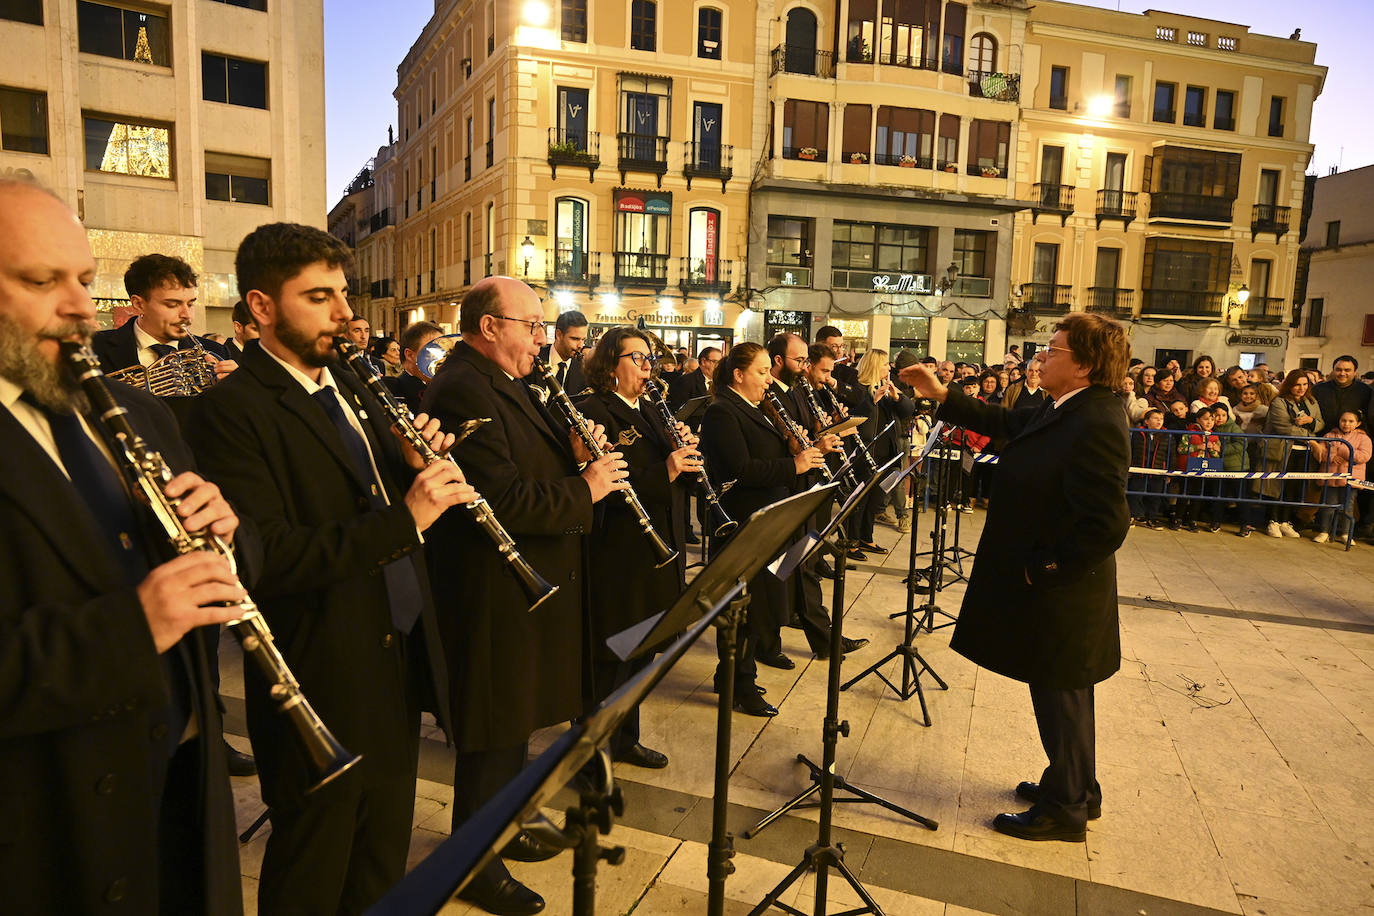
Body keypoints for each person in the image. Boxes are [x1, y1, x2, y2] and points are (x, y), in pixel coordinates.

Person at [187, 223, 476, 914]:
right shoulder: (231, 411)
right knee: (314, 867)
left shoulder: (348, 381)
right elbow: (270, 557)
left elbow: (364, 487)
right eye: (318, 297)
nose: (343, 313)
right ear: (261, 307)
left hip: (395, 654)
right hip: (319, 670)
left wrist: (408, 462)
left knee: (381, 858)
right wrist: (404, 517)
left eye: (342, 294)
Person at [0, 178, 247, 913]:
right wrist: (132, 629)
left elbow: (225, 566)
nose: (79, 305)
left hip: (178, 791)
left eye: (81, 277)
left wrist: (224, 538)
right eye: (41, 280)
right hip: (51, 830)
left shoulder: (134, 411)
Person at [419, 277, 628, 915]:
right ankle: (474, 863)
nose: (541, 338)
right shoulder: (461, 387)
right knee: (493, 731)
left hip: (525, 587)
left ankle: (503, 828)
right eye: (530, 325)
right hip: (492, 591)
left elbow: (526, 467)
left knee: (512, 729)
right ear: (489, 327)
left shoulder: (503, 382)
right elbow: (498, 498)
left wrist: (572, 457)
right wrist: (586, 486)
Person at [898, 313, 1131, 843]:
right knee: (1063, 693)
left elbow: (1107, 523)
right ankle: (1074, 785)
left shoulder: (1096, 420)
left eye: (1053, 350)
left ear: (1086, 364)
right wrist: (944, 394)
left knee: (1061, 694)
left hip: (1062, 591)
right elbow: (1009, 425)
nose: (1040, 358)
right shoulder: (1067, 406)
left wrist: (1045, 568)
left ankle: (1064, 812)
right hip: (1054, 588)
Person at [577, 327, 694, 769]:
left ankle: (625, 738)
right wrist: (665, 468)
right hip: (617, 557)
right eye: (638, 358)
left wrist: (683, 450)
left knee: (640, 656)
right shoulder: (593, 411)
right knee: (610, 662)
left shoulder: (650, 410)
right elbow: (605, 490)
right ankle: (589, 758)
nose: (649, 367)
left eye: (651, 358)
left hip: (655, 552)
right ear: (610, 364)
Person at [699, 342, 828, 716]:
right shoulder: (723, 411)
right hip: (743, 524)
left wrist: (800, 450)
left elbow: (768, 455)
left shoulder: (756, 408)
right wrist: (795, 466)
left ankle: (737, 676)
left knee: (758, 610)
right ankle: (739, 682)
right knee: (743, 611)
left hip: (768, 520)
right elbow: (742, 469)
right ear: (738, 375)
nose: (768, 379)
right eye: (760, 372)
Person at [91, 253, 234, 379]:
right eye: (172, 304)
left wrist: (239, 389)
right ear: (139, 304)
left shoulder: (216, 352)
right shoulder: (94, 348)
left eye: (190, 304)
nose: (186, 315)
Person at [1256, 371, 1324, 539]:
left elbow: (1321, 423)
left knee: (1293, 487)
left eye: (1305, 384)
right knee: (1276, 485)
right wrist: (1312, 440)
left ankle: (1286, 521)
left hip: (1304, 452)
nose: (1301, 388)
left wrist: (1311, 421)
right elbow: (1285, 428)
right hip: (1283, 450)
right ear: (1289, 385)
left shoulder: (1311, 401)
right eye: (1297, 384)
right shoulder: (1279, 401)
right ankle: (1273, 521)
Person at [1315, 411, 1370, 545]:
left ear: (1358, 424)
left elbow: (1364, 456)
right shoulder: (1329, 435)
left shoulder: (1363, 438)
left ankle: (1346, 534)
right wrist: (1332, 457)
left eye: (1351, 421)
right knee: (1328, 505)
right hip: (1331, 478)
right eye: (1343, 420)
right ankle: (1324, 531)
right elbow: (1320, 452)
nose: (1346, 424)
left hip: (1350, 480)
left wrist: (1343, 450)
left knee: (1348, 506)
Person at [384, 319, 444, 412]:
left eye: (442, 349)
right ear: (410, 355)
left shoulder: (442, 386)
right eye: (432, 350)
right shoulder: (395, 391)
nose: (440, 357)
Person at [1129, 408, 1170, 528]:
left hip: (1157, 470)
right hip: (1139, 469)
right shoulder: (1137, 433)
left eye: (1161, 419)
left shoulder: (1167, 435)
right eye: (1156, 418)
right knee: (1135, 494)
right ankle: (1132, 516)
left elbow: (1170, 454)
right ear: (1146, 421)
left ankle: (1152, 518)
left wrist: (1169, 472)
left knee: (1155, 496)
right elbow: (1130, 450)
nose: (1159, 421)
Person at [537, 308, 589, 395]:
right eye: (575, 339)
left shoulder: (583, 371)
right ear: (559, 334)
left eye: (583, 339)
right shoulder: (534, 358)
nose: (580, 345)